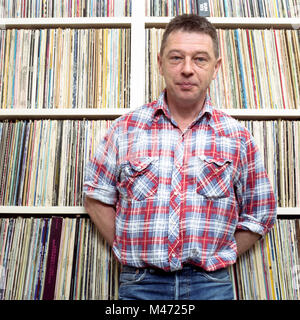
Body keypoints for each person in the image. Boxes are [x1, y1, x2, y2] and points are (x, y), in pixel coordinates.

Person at [83, 14, 277, 300]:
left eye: (200, 59)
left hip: (210, 284)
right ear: (160, 63)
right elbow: (96, 196)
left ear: (216, 67)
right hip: (141, 284)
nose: (187, 69)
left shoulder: (237, 137)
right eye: (176, 58)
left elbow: (260, 212)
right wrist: (127, 244)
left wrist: (222, 254)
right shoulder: (125, 129)